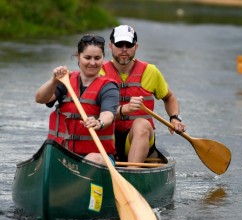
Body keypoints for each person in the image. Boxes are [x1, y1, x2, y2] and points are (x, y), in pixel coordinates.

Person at [100, 25, 186, 164]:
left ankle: (132, 175)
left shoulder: (150, 71)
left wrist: (175, 118)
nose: (124, 49)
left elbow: (169, 97)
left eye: (128, 44)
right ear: (110, 46)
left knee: (142, 124)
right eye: (119, 44)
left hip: (139, 137)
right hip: (108, 137)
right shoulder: (99, 72)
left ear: (136, 46)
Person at [35, 35, 119, 166]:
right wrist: (54, 81)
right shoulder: (66, 81)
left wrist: (99, 122)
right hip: (64, 154)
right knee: (47, 154)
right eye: (87, 57)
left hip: (98, 157)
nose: (92, 63)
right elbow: (40, 99)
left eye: (97, 58)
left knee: (93, 159)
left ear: (103, 58)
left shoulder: (108, 87)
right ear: (78, 56)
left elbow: (108, 114)